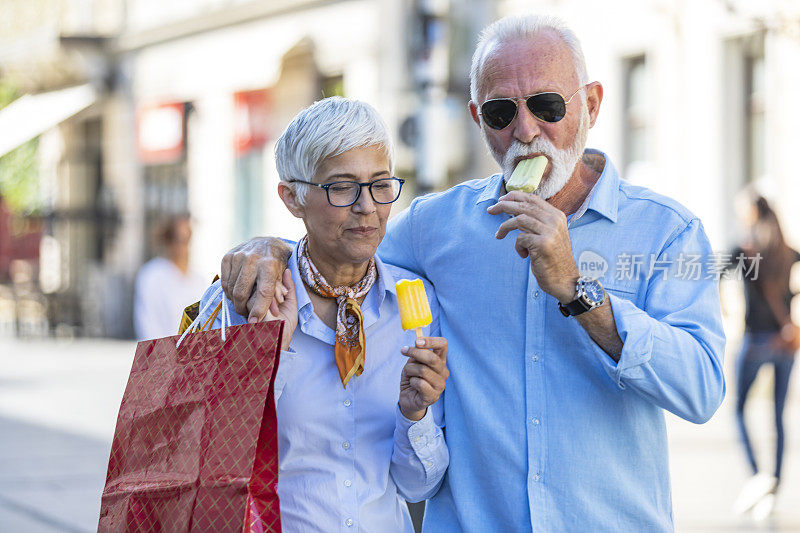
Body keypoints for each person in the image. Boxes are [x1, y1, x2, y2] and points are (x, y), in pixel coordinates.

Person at [218, 15, 726, 531]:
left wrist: (578, 291)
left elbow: (701, 390)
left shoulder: (667, 231)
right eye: (502, 112)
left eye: (547, 106)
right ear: (477, 119)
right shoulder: (438, 226)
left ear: (591, 104)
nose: (525, 131)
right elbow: (344, 240)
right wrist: (270, 249)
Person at [197, 97, 449, 532]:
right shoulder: (239, 300)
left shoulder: (418, 306)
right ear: (292, 197)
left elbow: (417, 487)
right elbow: (211, 463)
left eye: (380, 184)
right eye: (341, 186)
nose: (367, 206)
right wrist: (274, 354)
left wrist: (416, 414)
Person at [728, 191, 799, 520]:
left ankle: (759, 475)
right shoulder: (787, 251)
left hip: (755, 340)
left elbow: (710, 274)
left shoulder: (745, 251)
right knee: (778, 417)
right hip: (784, 344)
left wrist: (724, 311)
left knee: (740, 409)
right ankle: (774, 484)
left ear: (751, 214)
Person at [133, 214, 207, 340]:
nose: (184, 246)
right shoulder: (152, 275)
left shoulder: (198, 280)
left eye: (187, 239)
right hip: (162, 354)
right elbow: (147, 323)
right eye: (179, 239)